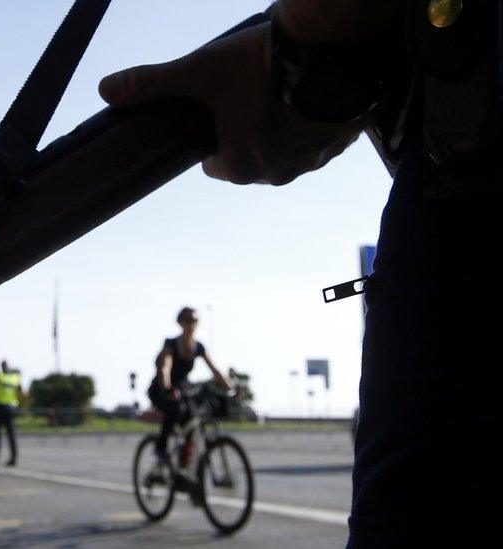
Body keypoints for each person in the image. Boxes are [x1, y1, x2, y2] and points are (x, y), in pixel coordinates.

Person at [100, 1, 503, 545]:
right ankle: (169, 456)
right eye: (192, 318)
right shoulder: (175, 345)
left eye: (196, 318)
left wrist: (295, 54)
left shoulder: (200, 343)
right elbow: (169, 370)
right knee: (177, 413)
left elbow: (215, 367)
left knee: (422, 500)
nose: (195, 323)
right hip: (168, 392)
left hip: (471, 159)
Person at [149, 307, 232, 464]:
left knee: (192, 418)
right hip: (161, 389)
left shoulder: (198, 347)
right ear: (180, 322)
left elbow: (215, 370)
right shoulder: (171, 344)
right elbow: (165, 366)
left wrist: (230, 387)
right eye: (188, 320)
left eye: (194, 320)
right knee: (174, 409)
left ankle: (184, 464)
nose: (191, 324)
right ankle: (161, 448)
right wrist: (167, 387)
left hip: (182, 389)